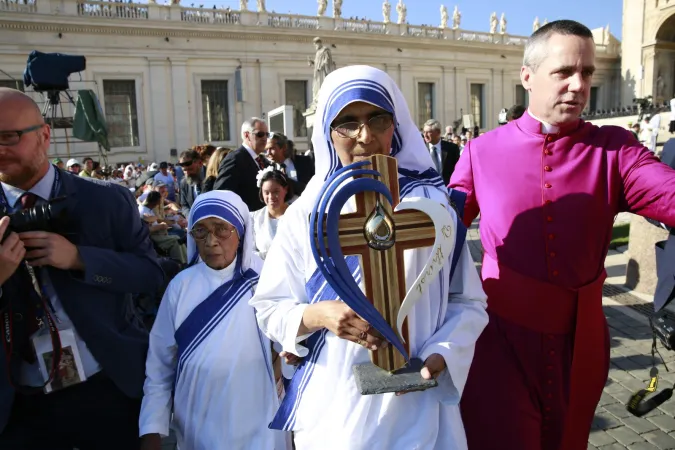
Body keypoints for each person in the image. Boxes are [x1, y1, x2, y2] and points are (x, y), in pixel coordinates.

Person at [449, 20, 675, 450]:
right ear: (528, 77)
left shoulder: (615, 149)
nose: (578, 85)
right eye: (564, 72)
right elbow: (439, 231)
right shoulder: (481, 151)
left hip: (583, 345)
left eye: (587, 73)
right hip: (501, 343)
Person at [250, 65, 488, 450]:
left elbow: (468, 301)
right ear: (328, 131)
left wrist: (443, 352)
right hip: (337, 414)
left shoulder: (431, 207)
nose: (365, 135)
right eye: (347, 123)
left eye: (377, 118)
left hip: (420, 411)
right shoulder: (306, 214)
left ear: (396, 124)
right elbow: (270, 307)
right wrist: (318, 315)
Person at [0, 87, 164, 449]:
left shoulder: (105, 200)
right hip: (18, 402)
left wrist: (80, 259)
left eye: (8, 137)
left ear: (44, 135)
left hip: (105, 383)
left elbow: (149, 275)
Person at [139, 191, 289, 450]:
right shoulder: (180, 287)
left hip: (258, 416)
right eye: (200, 231)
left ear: (240, 231)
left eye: (221, 229)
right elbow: (160, 365)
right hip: (197, 421)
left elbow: (289, 349)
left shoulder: (265, 280)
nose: (211, 241)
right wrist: (152, 428)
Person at [214, 118, 271, 211]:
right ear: (247, 135)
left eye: (267, 134)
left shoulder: (261, 161)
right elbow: (222, 194)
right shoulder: (235, 159)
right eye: (260, 134)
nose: (265, 138)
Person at [250, 168, 294, 260]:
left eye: (276, 192)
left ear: (285, 189)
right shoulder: (254, 218)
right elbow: (250, 252)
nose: (271, 197)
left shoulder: (296, 214)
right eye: (266, 192)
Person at [422, 119, 460, 185]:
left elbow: (458, 170)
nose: (425, 135)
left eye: (428, 132)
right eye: (424, 132)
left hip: (448, 189)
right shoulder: (421, 149)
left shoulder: (452, 148)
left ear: (438, 132)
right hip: (427, 189)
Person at [178, 149, 204, 218]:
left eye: (190, 169)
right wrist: (191, 217)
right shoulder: (184, 182)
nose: (187, 173)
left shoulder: (212, 178)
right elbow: (184, 205)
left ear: (200, 163)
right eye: (184, 170)